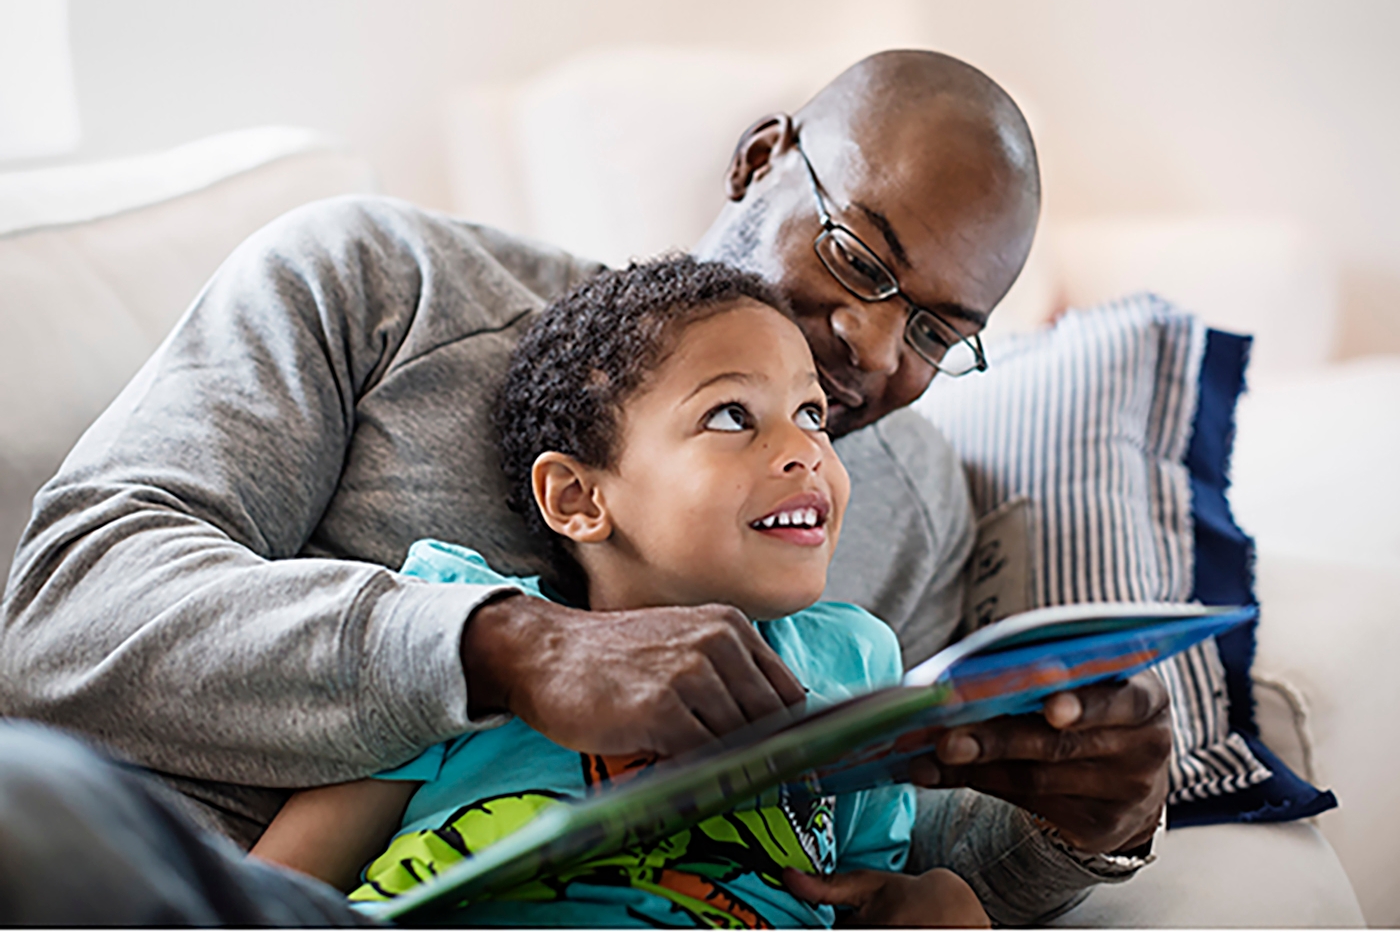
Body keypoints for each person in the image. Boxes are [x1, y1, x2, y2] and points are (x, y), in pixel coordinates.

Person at [0, 51, 1170, 924]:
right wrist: (501, 646)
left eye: (932, 331)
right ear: (759, 160)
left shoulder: (903, 502)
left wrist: (1074, 824)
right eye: (857, 255)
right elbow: (60, 611)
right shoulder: (383, 279)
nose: (867, 348)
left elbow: (883, 844)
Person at [250, 254, 990, 929]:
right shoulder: (464, 632)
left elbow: (859, 897)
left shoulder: (853, 665)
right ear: (577, 497)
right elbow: (268, 896)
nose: (804, 452)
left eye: (812, 415)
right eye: (731, 415)